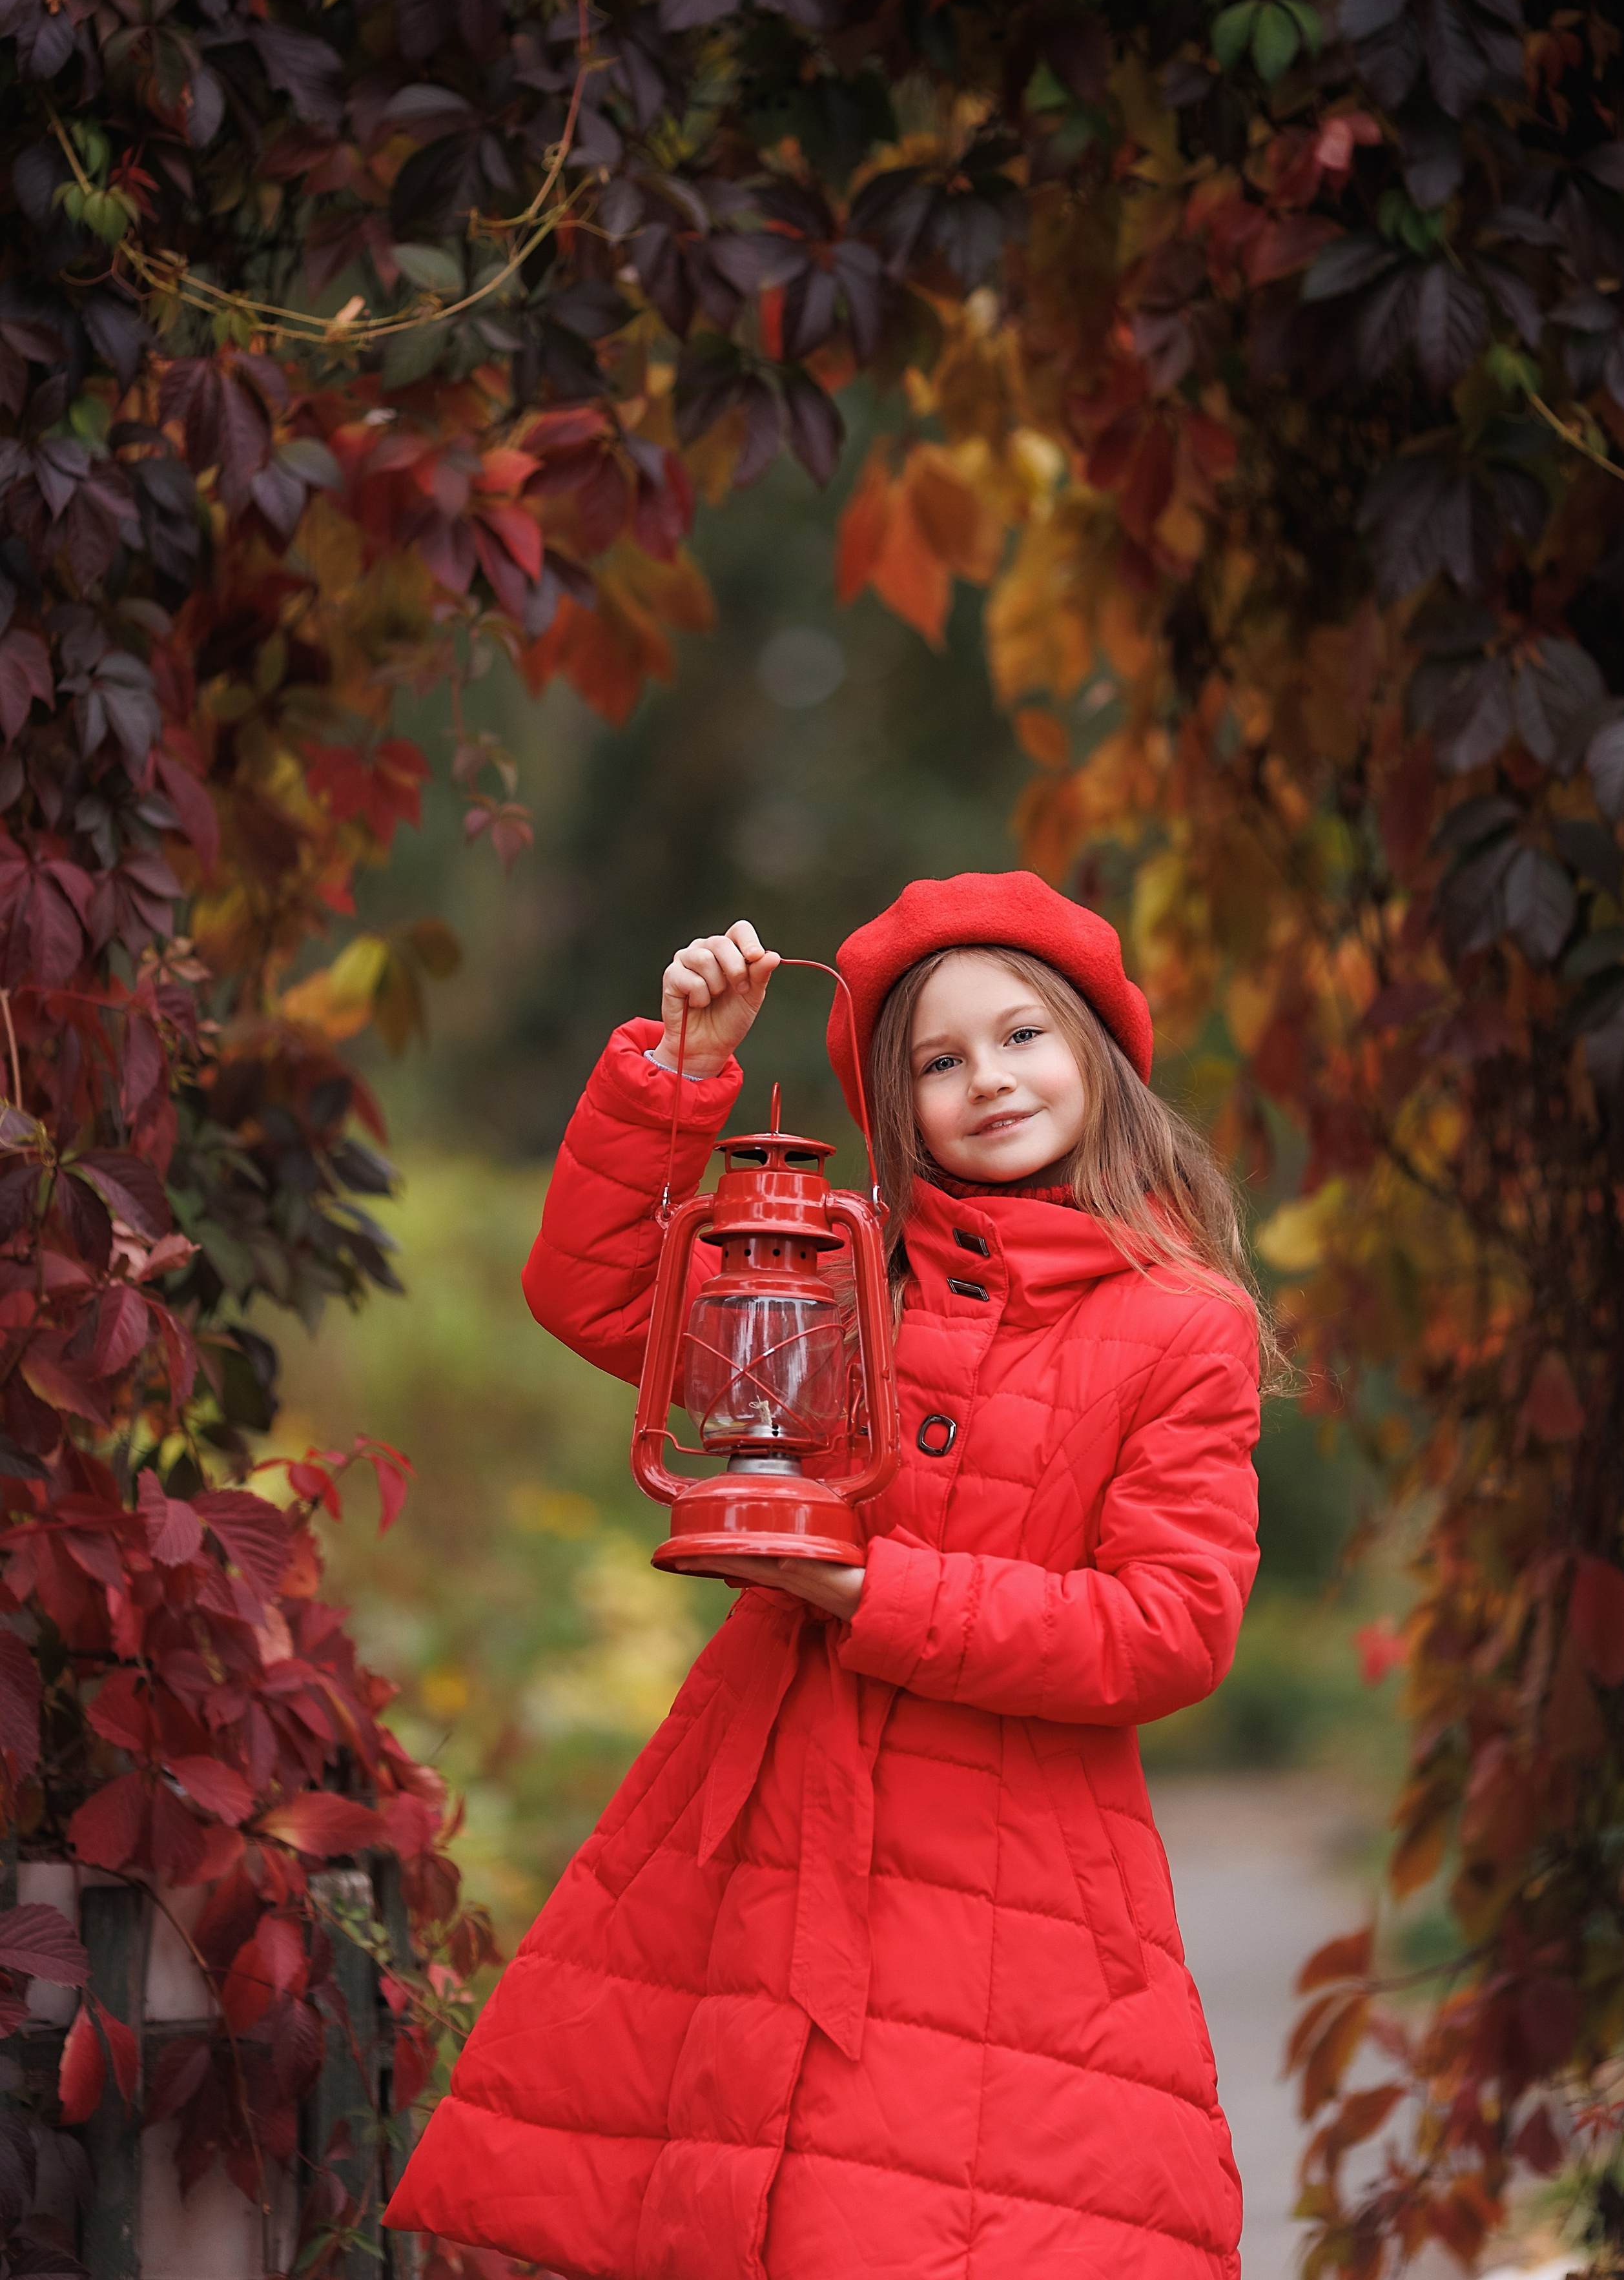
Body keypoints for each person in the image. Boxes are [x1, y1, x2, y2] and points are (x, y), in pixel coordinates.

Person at [386, 870, 1270, 2280]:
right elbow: (596, 1292)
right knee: (735, 2207)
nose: (986, 1079)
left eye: (1024, 1036)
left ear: (1099, 1055)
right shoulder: (841, 1276)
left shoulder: (1180, 1327)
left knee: (925, 2224)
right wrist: (680, 1069)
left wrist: (872, 1592)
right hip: (758, 1834)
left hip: (1013, 1874)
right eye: (937, 1059)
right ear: (889, 1104)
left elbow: (1167, 1629)